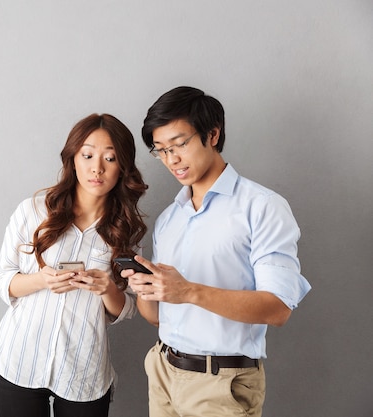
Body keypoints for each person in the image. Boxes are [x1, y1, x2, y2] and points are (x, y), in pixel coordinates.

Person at [122, 86, 311, 417]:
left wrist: (189, 291)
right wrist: (145, 290)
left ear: (212, 134)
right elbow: (157, 318)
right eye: (161, 150)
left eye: (180, 144)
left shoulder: (262, 207)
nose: (172, 159)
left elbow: (278, 308)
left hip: (221, 382)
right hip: (162, 372)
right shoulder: (169, 219)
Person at [0, 113, 148, 417]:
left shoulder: (125, 230)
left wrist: (107, 288)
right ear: (73, 158)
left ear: (122, 167)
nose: (96, 168)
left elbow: (127, 307)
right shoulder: (33, 211)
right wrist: (41, 280)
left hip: (83, 370)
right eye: (87, 155)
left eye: (110, 158)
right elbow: (1, 278)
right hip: (19, 359)